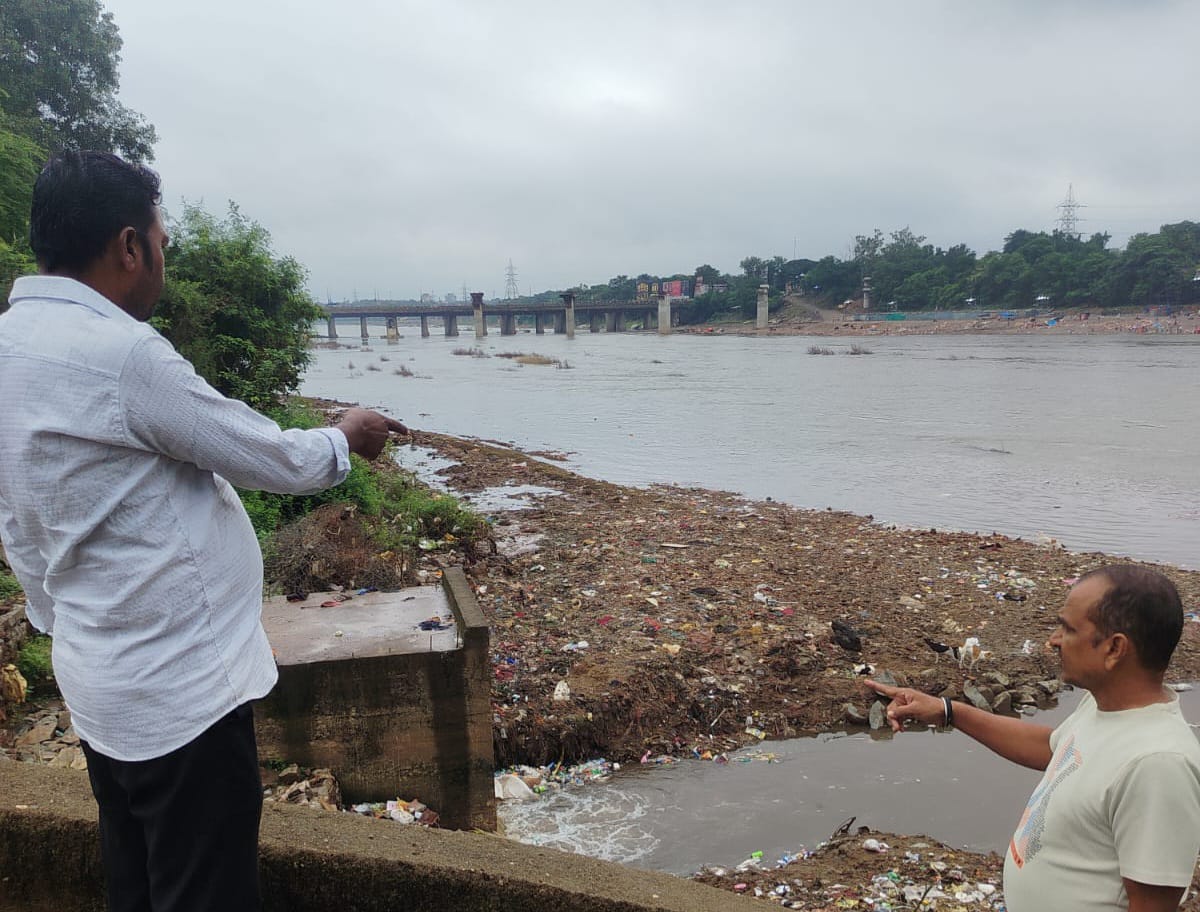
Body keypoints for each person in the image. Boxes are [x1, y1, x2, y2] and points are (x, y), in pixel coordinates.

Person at [0, 151, 408, 912]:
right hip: (182, 702)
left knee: (136, 882)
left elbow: (16, 521)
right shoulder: (123, 356)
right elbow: (265, 454)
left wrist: (72, 627)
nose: (164, 258)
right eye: (162, 241)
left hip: (101, 688)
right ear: (129, 246)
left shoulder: (9, 347)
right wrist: (345, 436)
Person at [867, 565, 1200, 912]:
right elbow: (1056, 750)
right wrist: (948, 711)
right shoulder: (1103, 705)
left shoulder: (1158, 764)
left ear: (1115, 648)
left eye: (1068, 629)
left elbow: (1152, 905)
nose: (1053, 640)